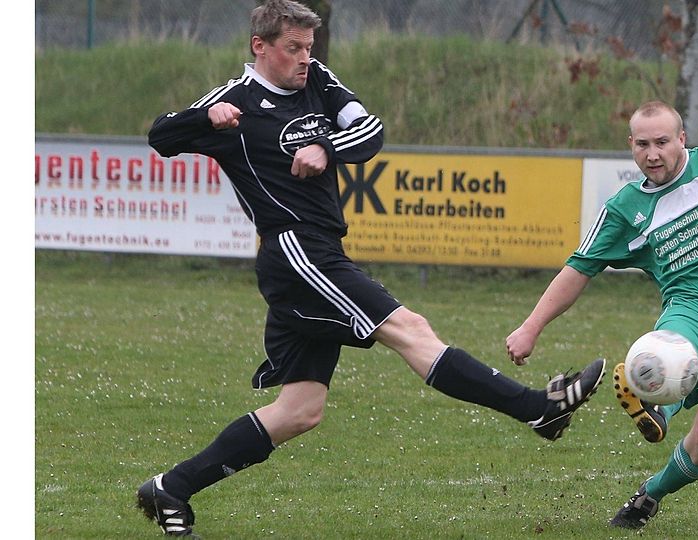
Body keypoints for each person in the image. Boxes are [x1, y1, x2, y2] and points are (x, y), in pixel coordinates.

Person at [135, 1, 605, 536]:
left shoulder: (319, 82)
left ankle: (171, 487)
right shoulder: (234, 103)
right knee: (411, 329)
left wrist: (325, 148)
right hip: (295, 254)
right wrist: (204, 118)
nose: (305, 58)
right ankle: (537, 409)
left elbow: (370, 132)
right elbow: (160, 135)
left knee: (300, 410)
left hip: (321, 253)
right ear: (259, 47)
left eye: (309, 47)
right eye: (293, 48)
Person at [505, 100, 698, 529]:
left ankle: (650, 493)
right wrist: (531, 326)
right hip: (688, 307)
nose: (652, 154)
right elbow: (580, 267)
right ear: (630, 146)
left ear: (681, 140)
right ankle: (654, 408)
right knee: (662, 357)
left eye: (661, 142)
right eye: (642, 145)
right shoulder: (625, 208)